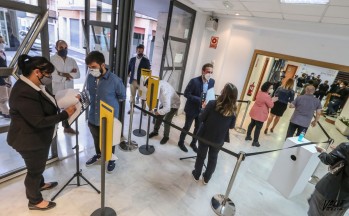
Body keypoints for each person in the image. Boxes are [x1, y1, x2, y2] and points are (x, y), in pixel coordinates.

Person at [7, 54, 76, 211]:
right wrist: (66, 114)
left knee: (37, 167)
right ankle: (34, 201)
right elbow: (38, 121)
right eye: (48, 74)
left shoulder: (33, 86)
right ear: (37, 72)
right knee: (34, 171)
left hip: (36, 138)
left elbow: (48, 104)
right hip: (28, 141)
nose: (49, 77)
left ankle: (40, 184)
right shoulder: (24, 92)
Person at [85, 51, 126, 173]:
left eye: (93, 67)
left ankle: (111, 158)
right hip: (93, 117)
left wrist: (109, 104)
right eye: (89, 67)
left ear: (102, 65)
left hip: (109, 119)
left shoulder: (115, 80)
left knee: (110, 141)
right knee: (97, 140)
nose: (91, 70)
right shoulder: (90, 78)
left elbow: (122, 96)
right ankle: (99, 155)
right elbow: (90, 94)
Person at [192, 83, 237, 184]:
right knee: (213, 158)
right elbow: (231, 126)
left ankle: (196, 174)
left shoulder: (212, 103)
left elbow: (201, 118)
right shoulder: (233, 110)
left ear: (223, 92)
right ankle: (206, 179)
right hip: (219, 138)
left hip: (205, 135)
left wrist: (203, 109)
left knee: (201, 156)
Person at [177, 63, 215, 153]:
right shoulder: (194, 81)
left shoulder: (212, 81)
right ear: (203, 71)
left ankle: (193, 143)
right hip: (192, 108)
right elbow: (186, 93)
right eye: (208, 71)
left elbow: (210, 92)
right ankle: (181, 142)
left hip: (203, 110)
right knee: (187, 126)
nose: (209, 73)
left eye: (211, 72)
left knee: (198, 128)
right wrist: (200, 99)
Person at [308, 142, 349, 215]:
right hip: (346, 199)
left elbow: (328, 160)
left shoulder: (345, 147)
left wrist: (322, 152)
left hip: (330, 191)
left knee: (316, 211)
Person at [51, 40, 80, 134]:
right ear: (56, 48)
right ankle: (54, 129)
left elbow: (78, 75)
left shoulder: (72, 60)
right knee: (55, 111)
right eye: (61, 47)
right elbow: (54, 77)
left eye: (65, 47)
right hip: (57, 90)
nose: (64, 49)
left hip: (68, 90)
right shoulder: (52, 60)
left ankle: (66, 127)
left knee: (69, 110)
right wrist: (69, 75)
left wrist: (62, 74)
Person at [148, 79, 180, 144]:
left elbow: (167, 108)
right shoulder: (158, 83)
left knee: (167, 120)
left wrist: (157, 112)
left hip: (174, 104)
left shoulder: (164, 93)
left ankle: (166, 136)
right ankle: (155, 131)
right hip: (166, 103)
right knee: (159, 117)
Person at [245, 82, 276, 147]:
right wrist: (272, 100)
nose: (272, 89)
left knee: (252, 124)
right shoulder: (267, 96)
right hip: (260, 115)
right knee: (258, 128)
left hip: (254, 112)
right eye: (271, 88)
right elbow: (271, 106)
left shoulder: (259, 92)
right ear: (267, 88)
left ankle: (248, 136)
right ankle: (255, 142)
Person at [127, 44, 151, 114]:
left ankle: (144, 110)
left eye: (141, 50)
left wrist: (147, 83)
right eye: (139, 49)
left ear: (143, 50)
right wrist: (128, 75)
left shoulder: (146, 60)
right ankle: (131, 109)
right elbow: (128, 69)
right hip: (133, 81)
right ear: (136, 50)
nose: (140, 51)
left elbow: (148, 72)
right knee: (132, 96)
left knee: (142, 97)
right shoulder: (132, 59)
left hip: (141, 82)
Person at [0, 38, 11, 118]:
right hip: (1, 78)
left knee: (7, 94)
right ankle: (5, 112)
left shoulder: (2, 52)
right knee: (3, 97)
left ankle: (2, 111)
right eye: (0, 42)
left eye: (2, 41)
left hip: (6, 76)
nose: (2, 43)